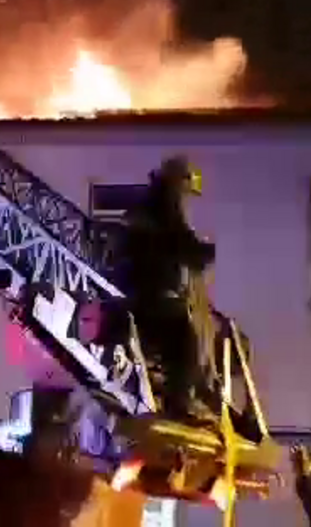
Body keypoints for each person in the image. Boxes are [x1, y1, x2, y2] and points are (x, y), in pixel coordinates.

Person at [116, 155, 217, 421]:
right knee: (186, 342)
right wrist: (204, 252)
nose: (187, 200)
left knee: (178, 341)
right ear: (178, 184)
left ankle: (176, 393)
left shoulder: (145, 206)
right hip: (151, 298)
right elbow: (180, 242)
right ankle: (179, 403)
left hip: (135, 296)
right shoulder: (163, 207)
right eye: (186, 193)